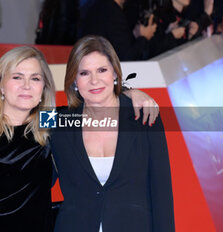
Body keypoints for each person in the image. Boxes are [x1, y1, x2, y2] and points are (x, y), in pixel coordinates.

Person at [0, 45, 160, 231]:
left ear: (44, 88)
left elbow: (98, 109)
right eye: (17, 77)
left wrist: (130, 94)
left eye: (35, 78)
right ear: (0, 85)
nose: (26, 86)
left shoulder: (49, 123)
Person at [50, 35, 175, 231]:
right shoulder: (59, 121)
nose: (94, 80)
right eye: (84, 73)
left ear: (115, 74)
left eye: (102, 70)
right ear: (74, 80)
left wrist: (130, 92)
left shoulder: (143, 116)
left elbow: (162, 195)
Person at [78, 0, 157, 61]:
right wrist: (144, 37)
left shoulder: (97, 7)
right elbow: (126, 57)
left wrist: (134, 36)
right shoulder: (113, 13)